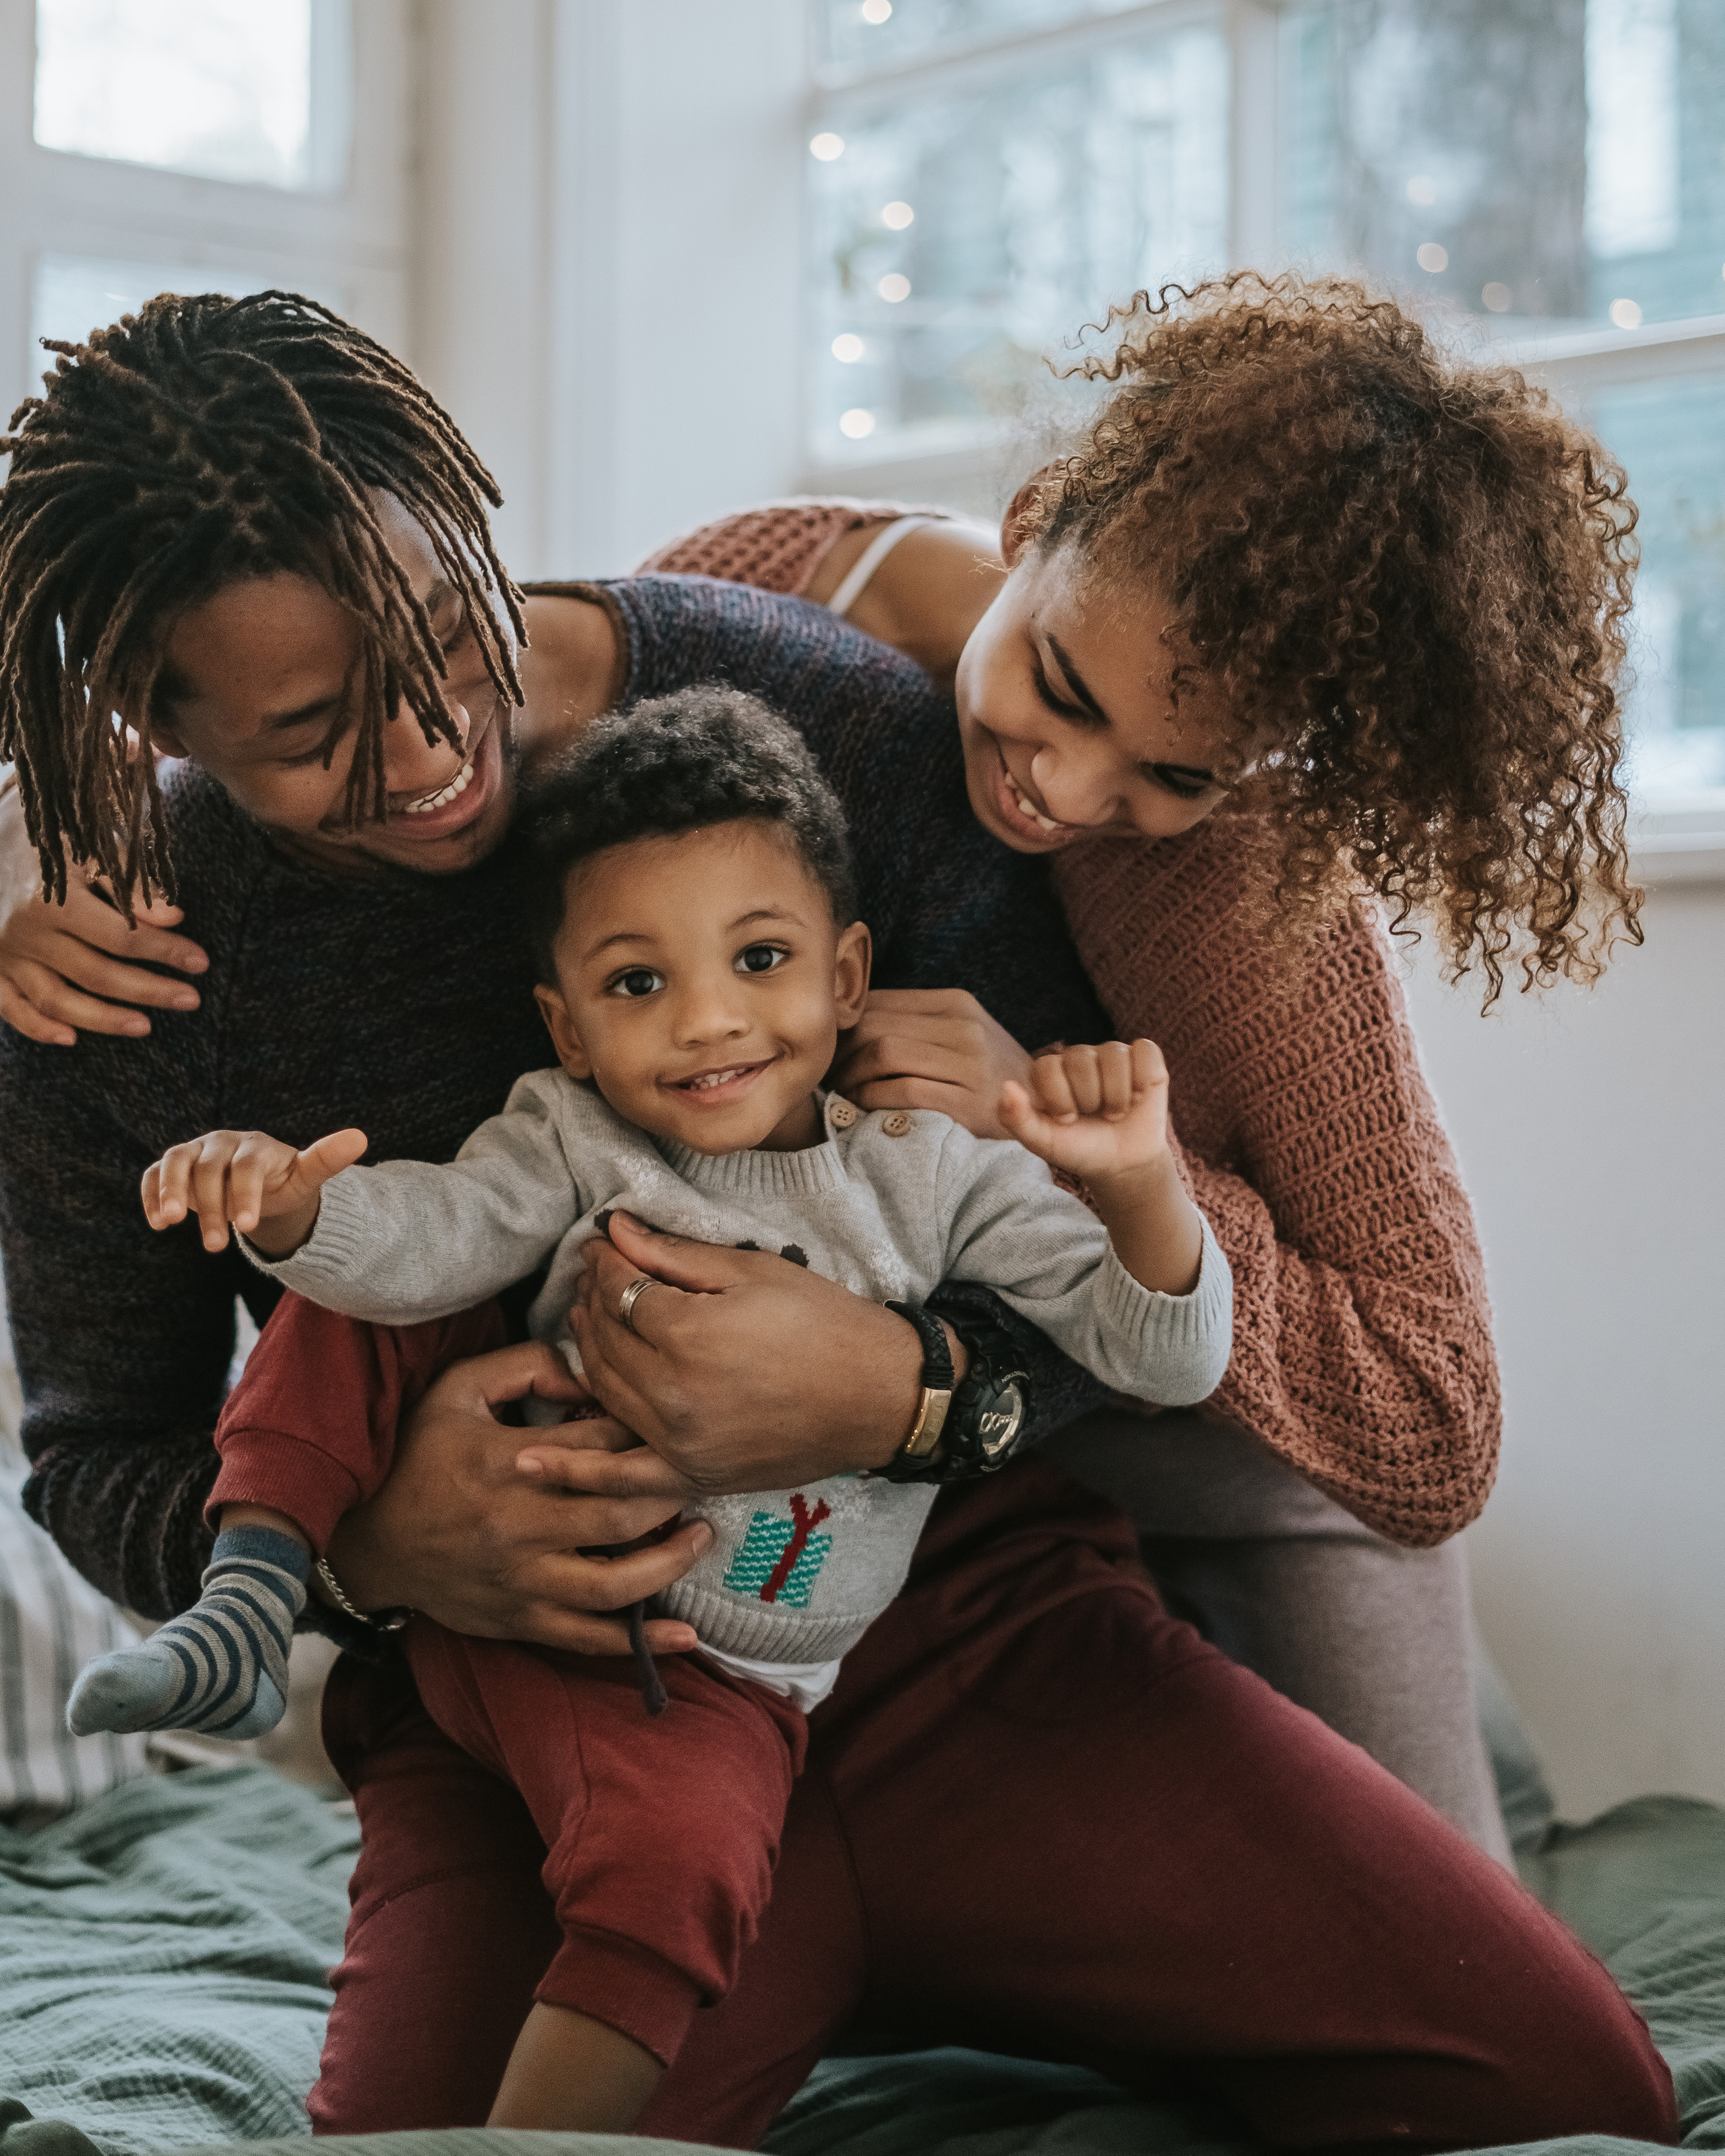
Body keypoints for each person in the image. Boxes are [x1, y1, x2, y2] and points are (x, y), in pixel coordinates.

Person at [0, 287, 1672, 2151]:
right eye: (312, 732)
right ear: (158, 723)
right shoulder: (107, 976)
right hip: (539, 1721)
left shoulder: (820, 713)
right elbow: (99, 1460)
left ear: (472, 522)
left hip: (977, 1636)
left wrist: (910, 1393)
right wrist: (379, 1551)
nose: (425, 747)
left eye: (440, 639)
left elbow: (1068, 1260)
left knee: (1569, 2090)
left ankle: (1013, 1953)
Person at [76, 689, 1231, 2130]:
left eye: (759, 959)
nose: (704, 1021)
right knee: (373, 1289)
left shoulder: (937, 1174)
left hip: (709, 1673)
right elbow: (432, 1236)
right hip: (488, 1625)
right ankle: (245, 1603)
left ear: (846, 971)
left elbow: (1163, 1355)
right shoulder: (568, 1137)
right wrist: (295, 1209)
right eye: (635, 985)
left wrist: (1137, 1186)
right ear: (563, 1023)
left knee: (683, 1864)